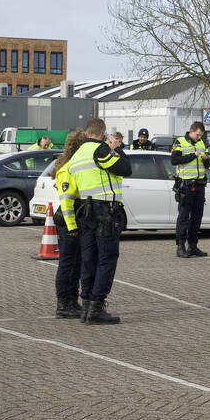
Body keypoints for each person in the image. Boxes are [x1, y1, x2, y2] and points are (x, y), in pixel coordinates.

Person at [66, 118, 132, 324]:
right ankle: (96, 306)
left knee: (89, 259)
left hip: (86, 211)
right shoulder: (100, 151)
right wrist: (116, 149)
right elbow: (125, 168)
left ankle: (86, 305)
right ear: (102, 134)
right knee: (107, 258)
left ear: (86, 133)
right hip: (105, 211)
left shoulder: (76, 156)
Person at [50, 129, 85, 319]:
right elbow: (66, 201)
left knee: (76, 263)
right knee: (67, 263)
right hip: (68, 218)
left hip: (75, 217)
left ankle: (72, 300)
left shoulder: (75, 165)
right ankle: (63, 304)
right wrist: (72, 227)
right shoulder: (68, 168)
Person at [172, 121, 210, 258]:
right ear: (191, 130)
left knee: (197, 217)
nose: (198, 137)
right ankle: (180, 246)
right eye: (197, 134)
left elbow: (207, 165)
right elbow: (174, 160)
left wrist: (206, 159)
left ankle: (193, 246)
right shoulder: (180, 141)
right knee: (183, 217)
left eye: (201, 135)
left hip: (199, 185)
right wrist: (193, 155)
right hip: (185, 185)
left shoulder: (202, 143)